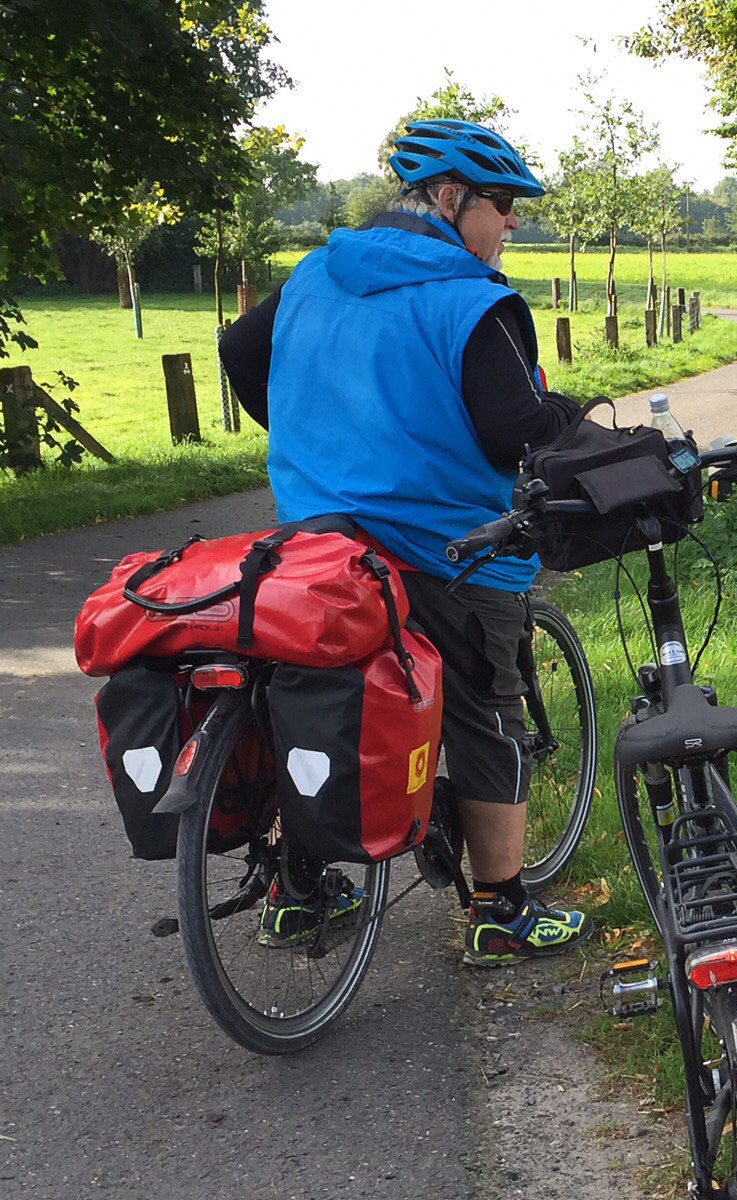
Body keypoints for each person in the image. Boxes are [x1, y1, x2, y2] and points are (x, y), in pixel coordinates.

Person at [220, 119, 591, 967]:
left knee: (313, 702)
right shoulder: (473, 300)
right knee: (484, 715)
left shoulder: (319, 271)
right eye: (504, 205)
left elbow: (241, 351)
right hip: (448, 551)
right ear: (453, 199)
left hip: (318, 545)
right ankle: (501, 910)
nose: (513, 225)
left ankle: (295, 894)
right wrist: (564, 415)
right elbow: (513, 436)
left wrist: (315, 438)